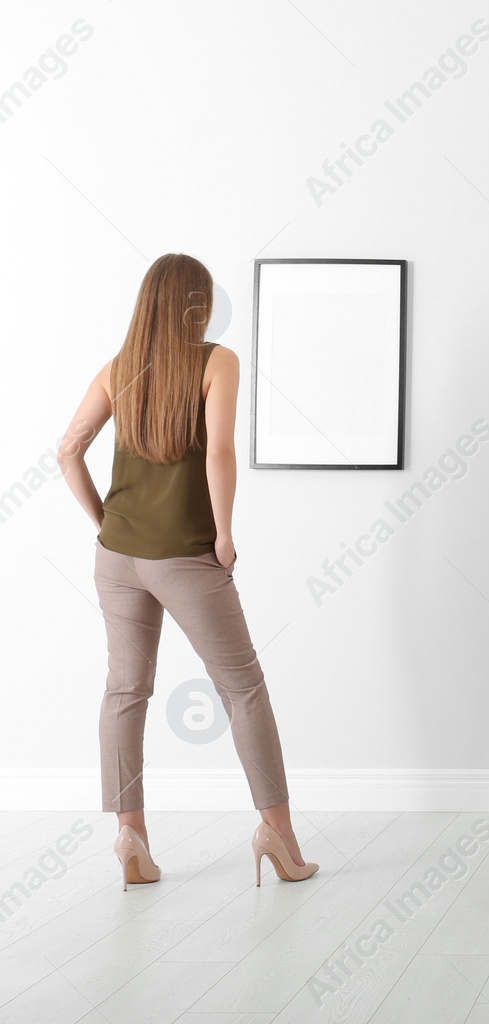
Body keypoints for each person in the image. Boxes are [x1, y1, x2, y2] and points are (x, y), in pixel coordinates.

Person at [58, 253, 317, 891]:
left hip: (117, 558)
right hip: (185, 557)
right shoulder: (215, 360)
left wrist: (104, 523)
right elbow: (221, 451)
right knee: (243, 689)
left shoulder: (118, 370)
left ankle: (131, 835)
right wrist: (225, 535)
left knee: (125, 691)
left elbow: (67, 449)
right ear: (197, 305)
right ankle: (278, 837)